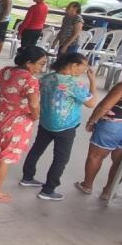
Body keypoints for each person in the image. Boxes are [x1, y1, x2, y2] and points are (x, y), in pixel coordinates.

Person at [20, 53, 96, 201]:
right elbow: (91, 103)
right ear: (73, 65)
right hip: (65, 126)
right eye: (83, 66)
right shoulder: (75, 84)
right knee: (61, 158)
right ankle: (48, 190)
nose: (85, 69)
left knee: (37, 149)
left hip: (46, 121)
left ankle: (27, 177)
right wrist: (92, 81)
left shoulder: (47, 78)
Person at [0, 45, 47, 202]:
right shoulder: (31, 80)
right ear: (29, 63)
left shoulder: (7, 71)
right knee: (5, 157)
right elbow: (34, 104)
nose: (42, 67)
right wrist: (34, 116)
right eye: (41, 63)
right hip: (17, 122)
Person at [76, 54, 122, 200]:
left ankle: (87, 185)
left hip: (114, 126)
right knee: (120, 163)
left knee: (96, 156)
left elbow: (104, 107)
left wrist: (92, 121)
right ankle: (109, 191)